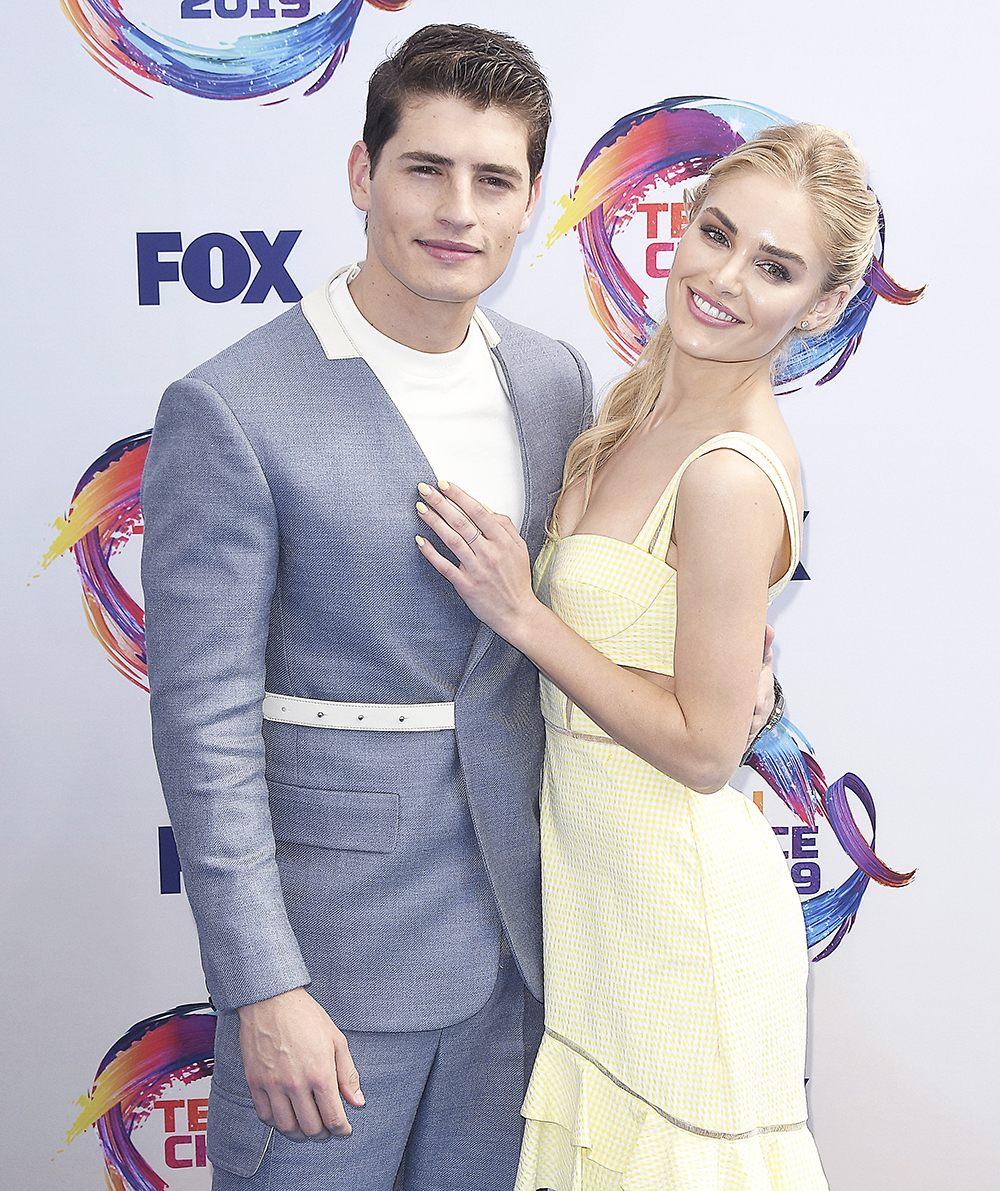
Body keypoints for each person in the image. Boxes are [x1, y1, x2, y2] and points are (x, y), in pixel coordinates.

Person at [140, 24, 593, 1191]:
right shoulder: (232, 406)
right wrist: (264, 985)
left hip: (528, 954)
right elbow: (201, 727)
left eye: (493, 180)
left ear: (531, 201)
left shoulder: (551, 379)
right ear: (362, 174)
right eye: (424, 168)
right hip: (333, 969)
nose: (457, 210)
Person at [414, 123, 889, 1190]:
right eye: (714, 234)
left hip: (683, 926)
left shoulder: (727, 472)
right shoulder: (631, 408)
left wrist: (522, 614)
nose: (722, 278)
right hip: (602, 915)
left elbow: (706, 747)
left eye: (774, 267)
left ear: (818, 306)